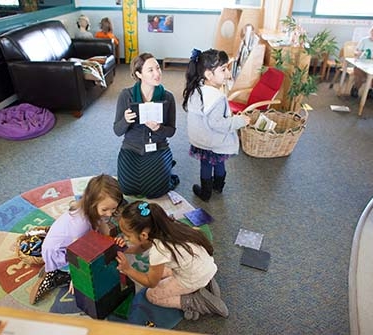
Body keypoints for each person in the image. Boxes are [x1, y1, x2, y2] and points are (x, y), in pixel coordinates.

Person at [115, 201, 229, 320]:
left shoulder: (158, 251)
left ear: (143, 235)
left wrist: (128, 269)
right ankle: (205, 283)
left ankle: (195, 301)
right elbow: (144, 246)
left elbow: (151, 282)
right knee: (160, 272)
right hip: (203, 266)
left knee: (152, 295)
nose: (125, 238)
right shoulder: (166, 226)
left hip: (193, 277)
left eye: (127, 236)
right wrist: (126, 249)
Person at [29, 174, 124, 304]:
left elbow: (102, 226)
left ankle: (54, 268)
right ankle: (56, 274)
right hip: (60, 254)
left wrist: (108, 241)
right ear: (92, 203)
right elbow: (78, 254)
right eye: (105, 209)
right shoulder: (81, 226)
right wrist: (77, 277)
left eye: (113, 209)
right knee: (95, 273)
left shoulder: (88, 208)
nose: (109, 214)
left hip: (65, 241)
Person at [182, 48, 251, 201]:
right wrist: (240, 121)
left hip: (201, 138)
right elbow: (218, 124)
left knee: (205, 165)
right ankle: (217, 187)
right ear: (208, 74)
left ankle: (205, 193)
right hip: (214, 140)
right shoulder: (217, 98)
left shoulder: (196, 89)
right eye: (223, 69)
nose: (228, 74)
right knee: (219, 162)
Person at [113, 52, 178, 199]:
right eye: (150, 70)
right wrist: (125, 120)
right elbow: (117, 130)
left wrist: (159, 129)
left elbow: (171, 131)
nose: (157, 73)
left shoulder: (168, 97)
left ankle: (166, 168)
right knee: (127, 188)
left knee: (155, 191)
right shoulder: (126, 95)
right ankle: (165, 168)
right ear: (139, 74)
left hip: (158, 147)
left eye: (158, 68)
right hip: (131, 148)